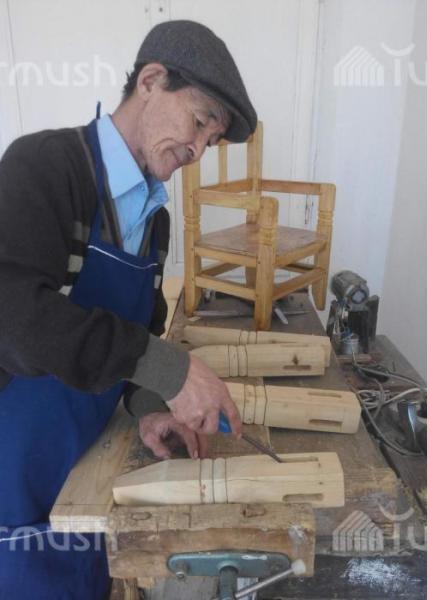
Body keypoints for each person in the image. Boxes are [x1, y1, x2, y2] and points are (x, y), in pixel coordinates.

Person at [0, 20, 257, 599]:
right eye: (199, 122)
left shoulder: (154, 219)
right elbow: (14, 319)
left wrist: (147, 404)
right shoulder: (43, 166)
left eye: (212, 140)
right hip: (12, 475)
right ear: (150, 81)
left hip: (84, 474)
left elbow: (137, 329)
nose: (198, 151)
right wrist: (170, 369)